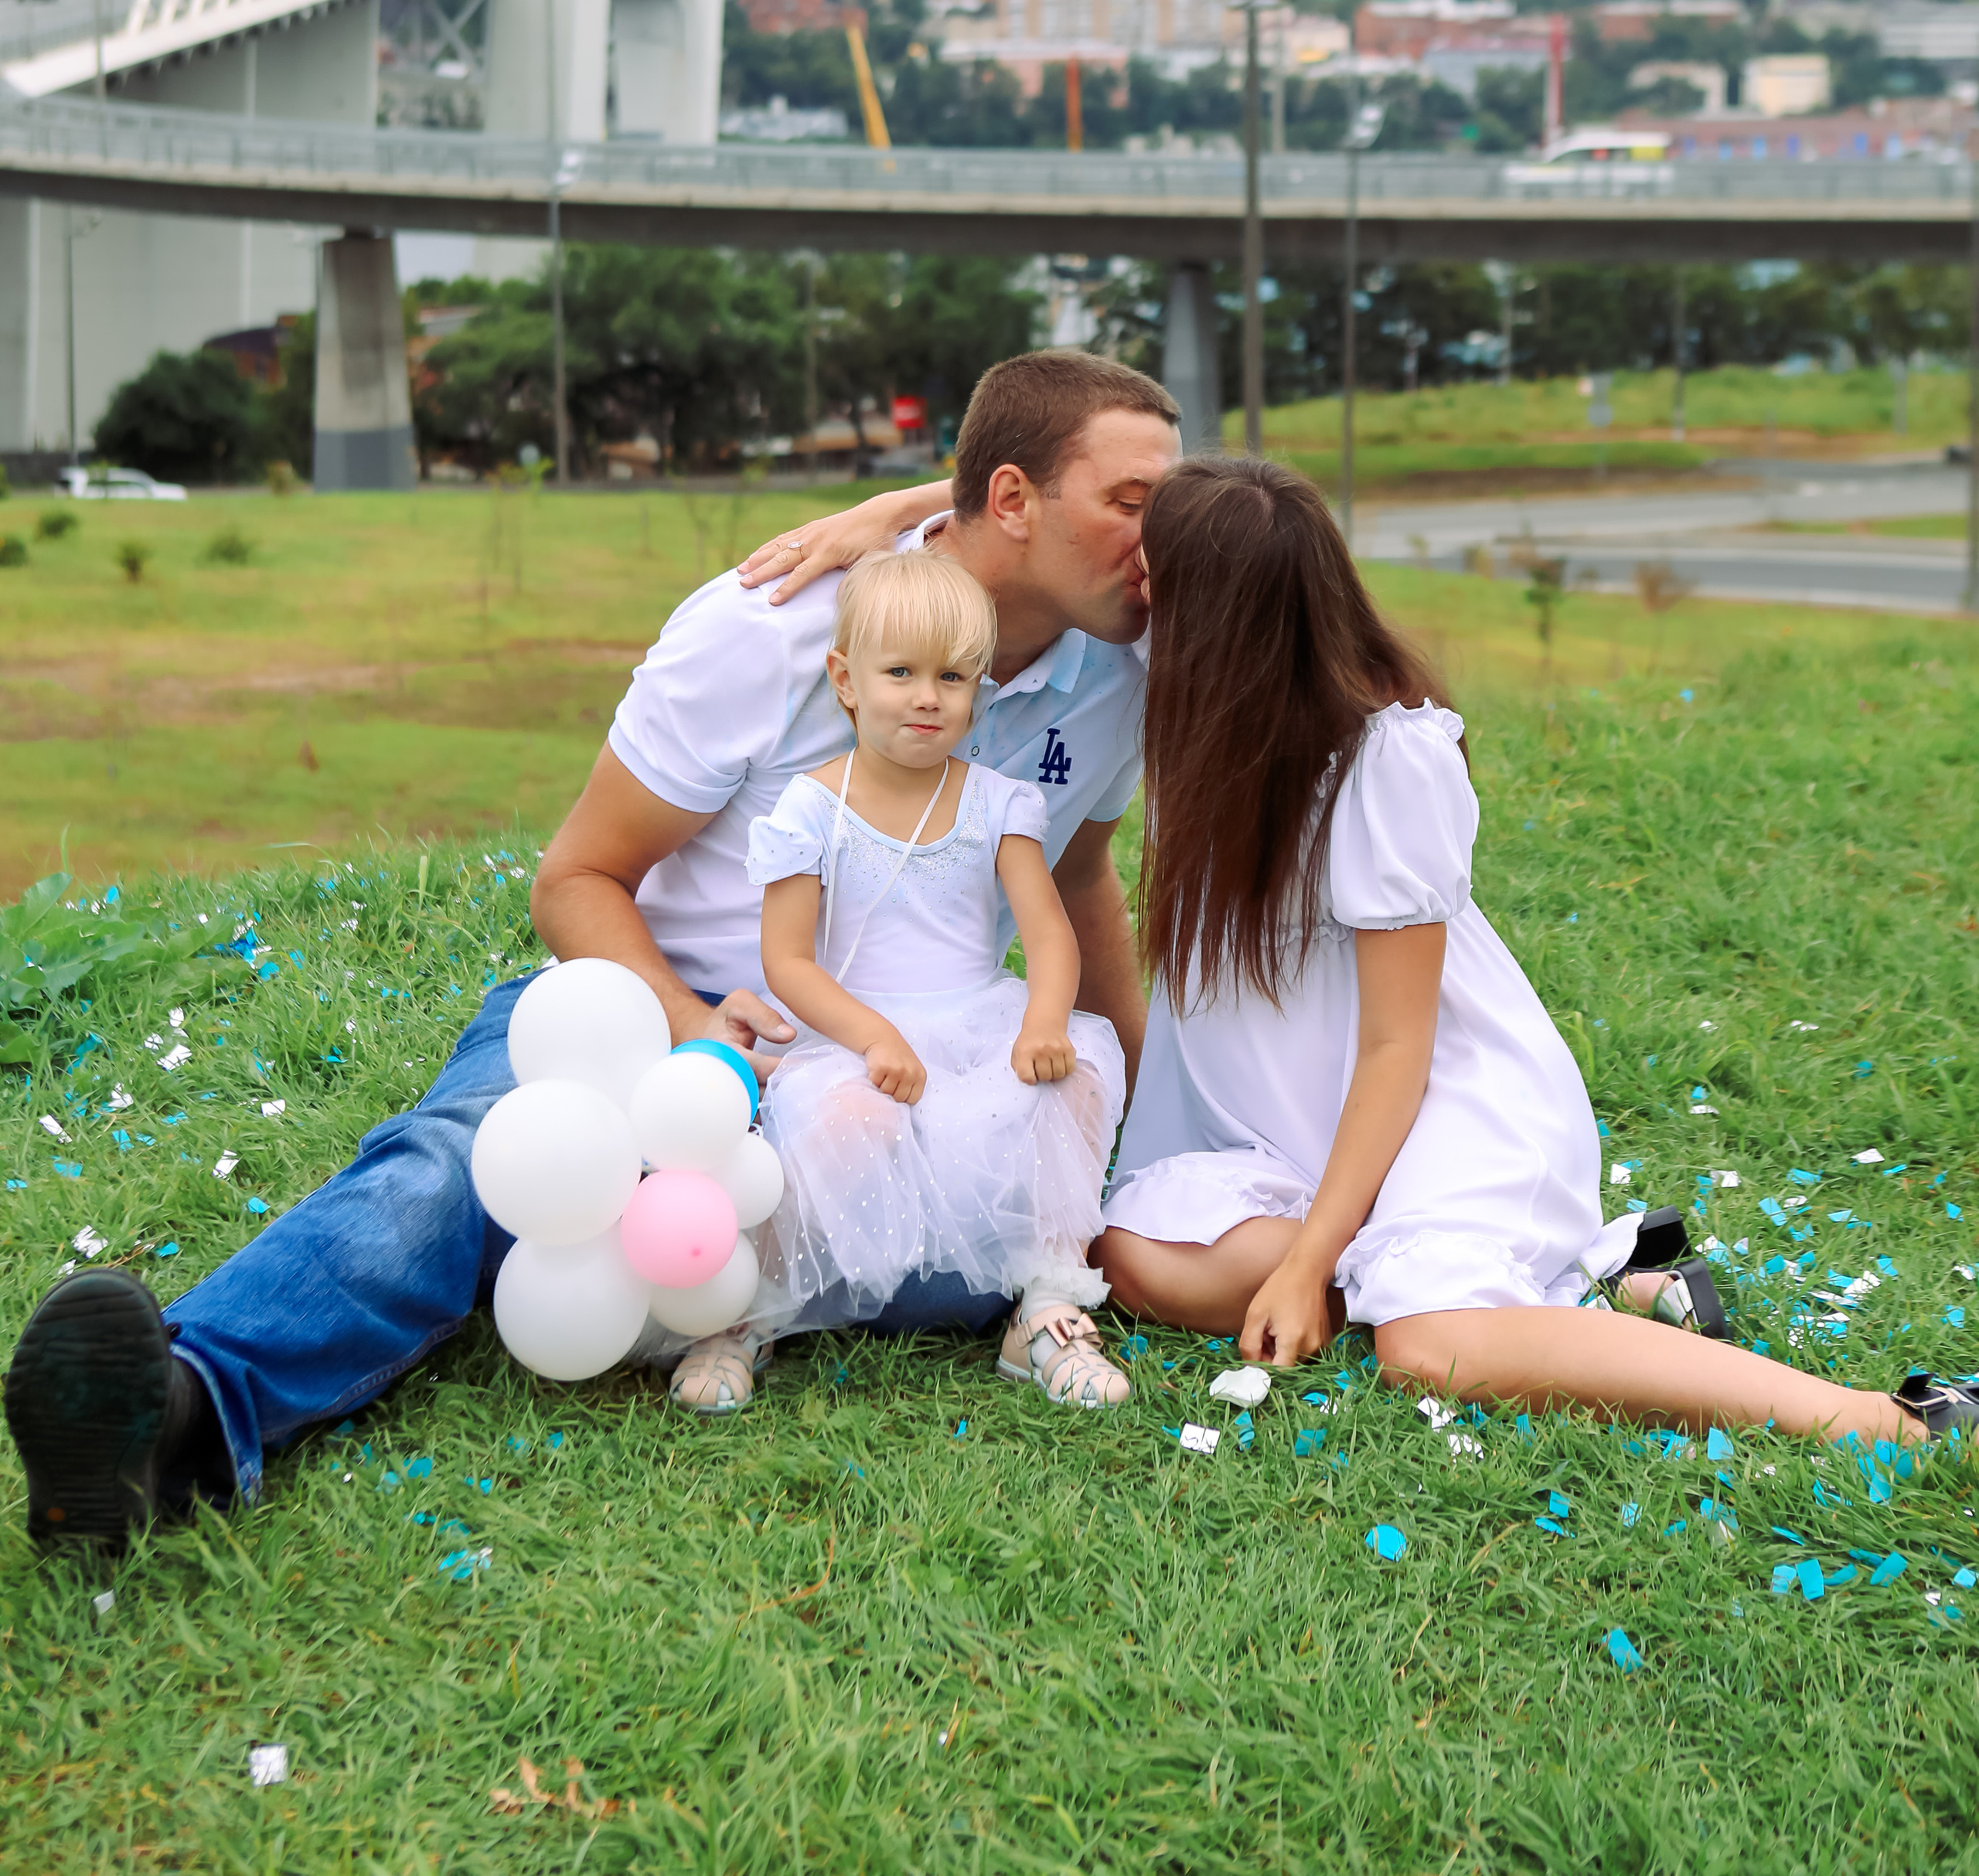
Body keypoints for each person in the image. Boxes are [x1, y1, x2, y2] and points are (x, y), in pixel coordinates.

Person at [4, 352, 1178, 1542]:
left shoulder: (1113, 672)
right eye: (1133, 505)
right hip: (651, 1016)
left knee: (991, 1219)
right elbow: (577, 877)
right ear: (1016, 502)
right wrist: (691, 1028)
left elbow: (1077, 877)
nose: (1158, 537)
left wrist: (1142, 1112)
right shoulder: (770, 632)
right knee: (463, 1167)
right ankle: (180, 1410)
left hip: (886, 1063)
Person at [1095, 455, 1978, 1448]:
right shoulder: (1184, 692)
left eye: (1152, 560)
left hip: (1439, 1104)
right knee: (1133, 1254)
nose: (1131, 573)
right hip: (1290, 1134)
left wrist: (1306, 1263)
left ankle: (1889, 1418)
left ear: (1217, 614)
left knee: (1424, 1348)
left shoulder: (1383, 758)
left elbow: (1397, 1048)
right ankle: (1571, 1289)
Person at [733, 546, 1129, 1411]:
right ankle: (746, 1316)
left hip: (981, 1014)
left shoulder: (997, 802)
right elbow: (788, 960)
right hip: (859, 1023)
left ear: (978, 690)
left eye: (952, 678)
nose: (926, 697)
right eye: (901, 673)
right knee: (839, 1113)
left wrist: (1046, 1021)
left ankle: (1047, 1307)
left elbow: (1049, 937)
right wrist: (872, 1037)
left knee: (1074, 1081)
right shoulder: (810, 808)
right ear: (845, 679)